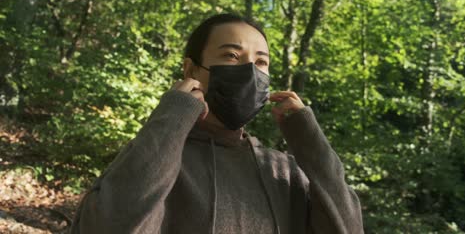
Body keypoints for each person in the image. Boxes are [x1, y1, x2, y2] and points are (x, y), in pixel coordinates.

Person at [70, 13, 363, 234]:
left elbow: (346, 228)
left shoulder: (284, 171)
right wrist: (171, 117)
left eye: (261, 62)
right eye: (232, 55)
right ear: (191, 69)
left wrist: (309, 140)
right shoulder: (158, 160)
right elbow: (107, 225)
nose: (250, 70)